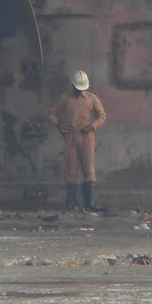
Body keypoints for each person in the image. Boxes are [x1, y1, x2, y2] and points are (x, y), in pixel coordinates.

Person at [47, 69, 106, 211]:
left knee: (89, 169)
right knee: (71, 169)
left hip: (87, 136)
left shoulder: (92, 98)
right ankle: (72, 204)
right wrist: (59, 126)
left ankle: (89, 204)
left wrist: (92, 126)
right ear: (72, 85)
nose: (80, 92)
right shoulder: (65, 98)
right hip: (71, 137)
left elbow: (102, 115)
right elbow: (52, 113)